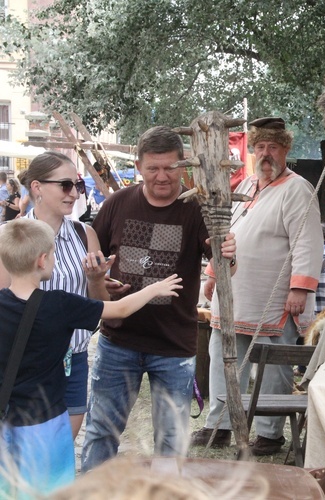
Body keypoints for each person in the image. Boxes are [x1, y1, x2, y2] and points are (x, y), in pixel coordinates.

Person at [81, 126, 237, 472]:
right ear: (139, 166)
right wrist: (100, 277)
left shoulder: (199, 208)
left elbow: (224, 263)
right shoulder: (118, 203)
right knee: (101, 432)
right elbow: (96, 256)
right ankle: (90, 493)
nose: (162, 176)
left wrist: (227, 253)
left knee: (170, 440)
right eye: (153, 168)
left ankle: (167, 494)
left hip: (173, 346)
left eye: (170, 167)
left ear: (184, 165)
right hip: (118, 340)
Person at [0, 218, 182, 497]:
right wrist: (154, 289)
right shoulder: (59, 304)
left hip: (6, 420)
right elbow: (119, 309)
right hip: (46, 423)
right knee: (50, 491)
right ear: (42, 260)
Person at [191, 117, 322, 455]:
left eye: (273, 147)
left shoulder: (298, 189)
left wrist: (300, 288)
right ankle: (219, 425)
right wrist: (211, 274)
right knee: (222, 357)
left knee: (272, 363)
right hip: (233, 294)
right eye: (260, 147)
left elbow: (307, 243)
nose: (266, 154)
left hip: (273, 298)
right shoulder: (246, 185)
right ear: (252, 151)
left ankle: (269, 432)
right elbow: (226, 236)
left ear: (285, 150)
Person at [5, 153, 110, 441]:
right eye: (66, 185)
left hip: (73, 361)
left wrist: (96, 279)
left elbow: (101, 305)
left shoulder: (84, 233)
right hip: (24, 365)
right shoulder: (10, 237)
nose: (75, 193)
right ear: (37, 187)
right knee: (22, 457)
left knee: (60, 450)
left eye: (77, 185)